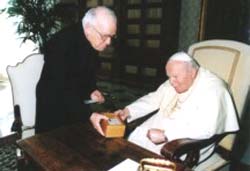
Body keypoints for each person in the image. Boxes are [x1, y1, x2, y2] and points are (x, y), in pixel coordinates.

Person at [90, 52, 239, 158]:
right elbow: (154, 98)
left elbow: (206, 128)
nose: (171, 82)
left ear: (193, 72)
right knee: (126, 149)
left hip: (187, 143)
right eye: (169, 77)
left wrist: (167, 135)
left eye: (175, 77)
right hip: (158, 130)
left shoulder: (214, 90)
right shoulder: (178, 76)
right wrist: (128, 111)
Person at [36, 6, 117, 133]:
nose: (109, 42)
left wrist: (91, 90)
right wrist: (88, 115)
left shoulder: (92, 38)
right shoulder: (60, 43)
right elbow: (60, 87)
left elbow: (86, 73)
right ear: (89, 28)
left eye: (112, 37)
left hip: (74, 102)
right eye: (105, 36)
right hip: (53, 104)